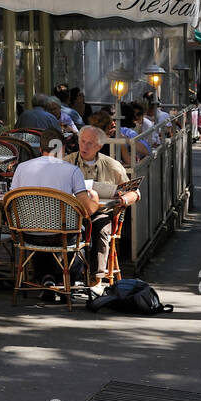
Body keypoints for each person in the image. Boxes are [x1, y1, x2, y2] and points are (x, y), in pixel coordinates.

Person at [8, 128, 98, 297]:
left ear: (41, 149)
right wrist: (95, 198)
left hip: (27, 234)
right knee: (83, 232)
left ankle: (45, 276)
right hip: (62, 235)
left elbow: (11, 200)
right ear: (62, 149)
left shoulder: (21, 168)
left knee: (42, 229)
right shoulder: (71, 170)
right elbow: (87, 210)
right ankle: (69, 280)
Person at [65, 126, 140, 295]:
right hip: (73, 213)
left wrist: (123, 200)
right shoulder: (67, 162)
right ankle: (65, 277)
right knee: (65, 229)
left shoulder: (111, 165)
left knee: (100, 229)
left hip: (101, 213)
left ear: (99, 146)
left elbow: (135, 191)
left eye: (90, 143)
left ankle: (96, 279)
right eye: (82, 142)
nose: (84, 146)